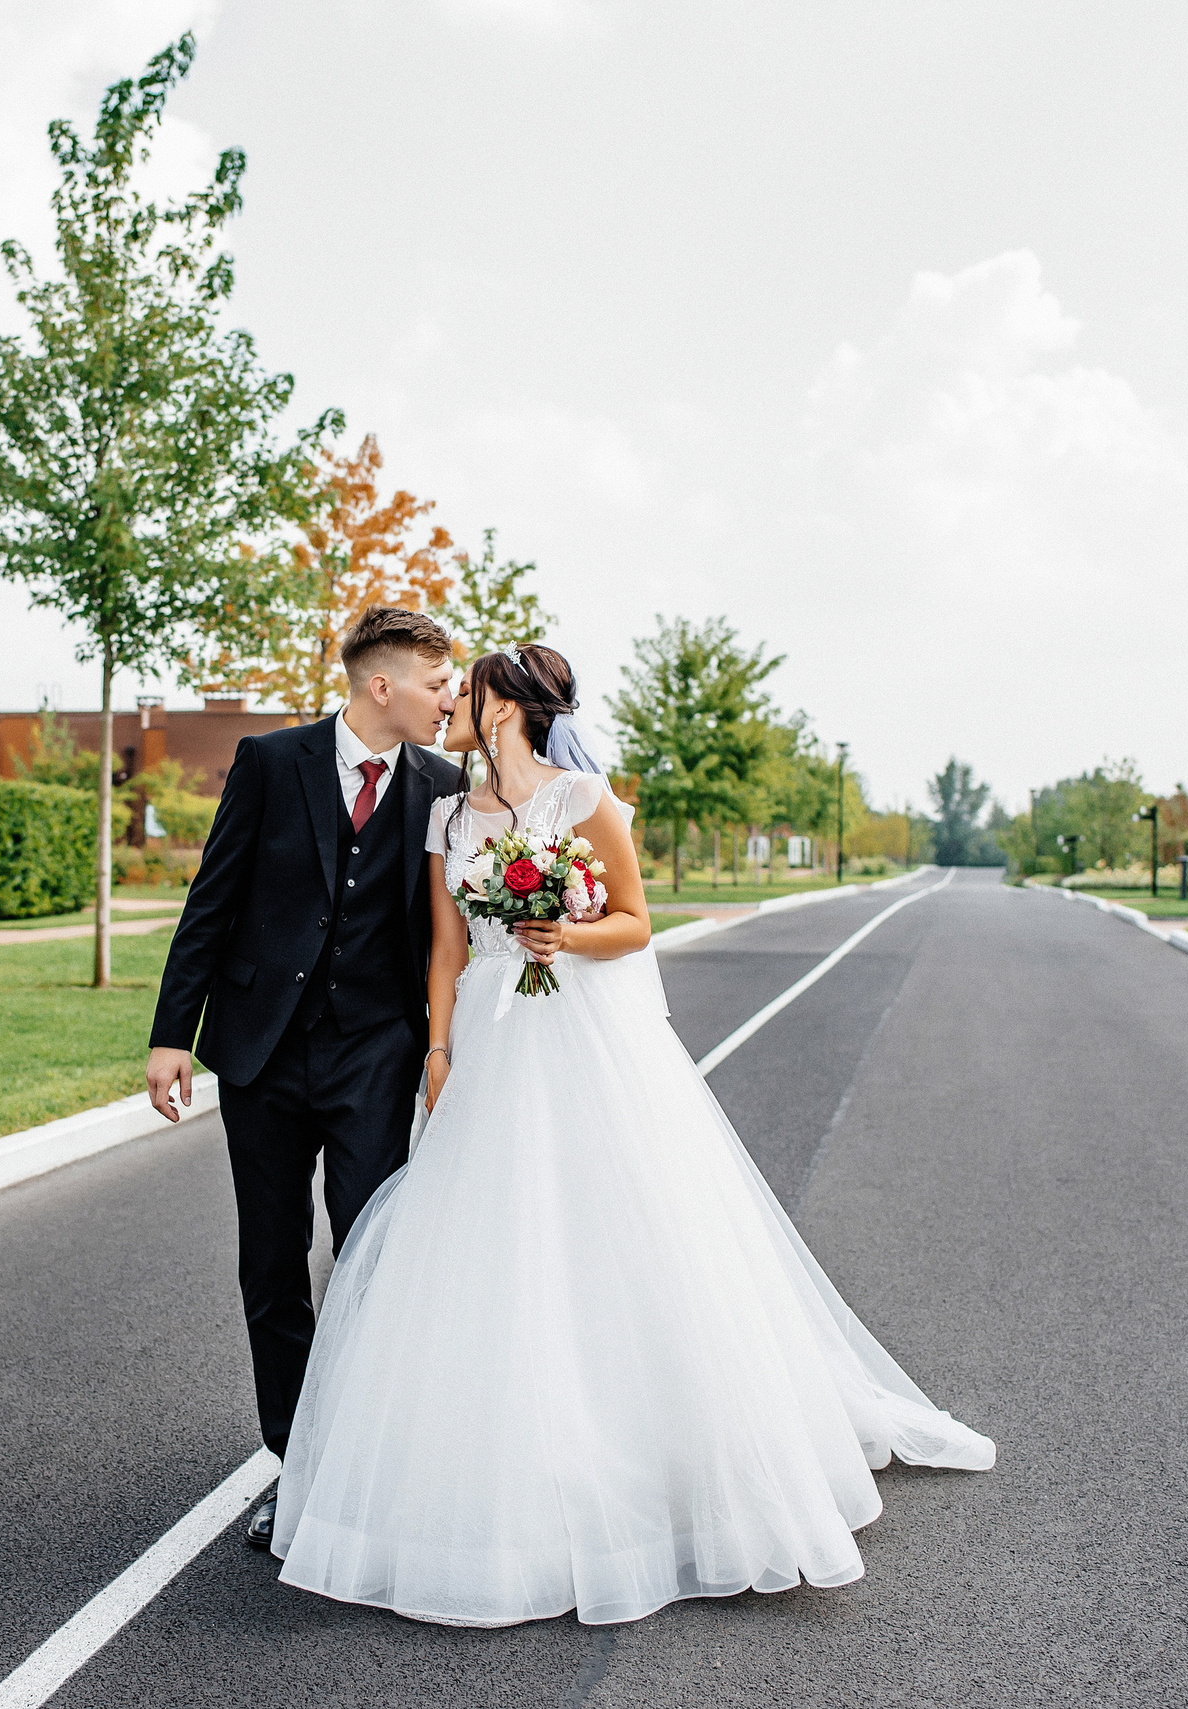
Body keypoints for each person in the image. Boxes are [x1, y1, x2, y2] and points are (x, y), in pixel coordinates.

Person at [267, 643, 995, 1627]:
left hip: (575, 1027)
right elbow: (442, 947)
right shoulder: (449, 813)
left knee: (609, 1218)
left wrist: (565, 931)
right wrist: (438, 1050)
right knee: (483, 1233)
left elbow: (635, 921)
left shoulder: (582, 801)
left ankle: (656, 1453)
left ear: (510, 706)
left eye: (472, 688)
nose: (459, 700)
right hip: (488, 1026)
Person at [146, 606, 466, 1549]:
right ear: (383, 685)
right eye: (435, 682)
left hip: (375, 1053)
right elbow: (213, 899)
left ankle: (365, 1455)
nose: (448, 697)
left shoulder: (444, 789)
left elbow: (450, 939)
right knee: (273, 1263)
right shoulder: (269, 762)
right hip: (263, 1054)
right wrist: (173, 1033)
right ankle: (296, 1462)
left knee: (370, 1259)